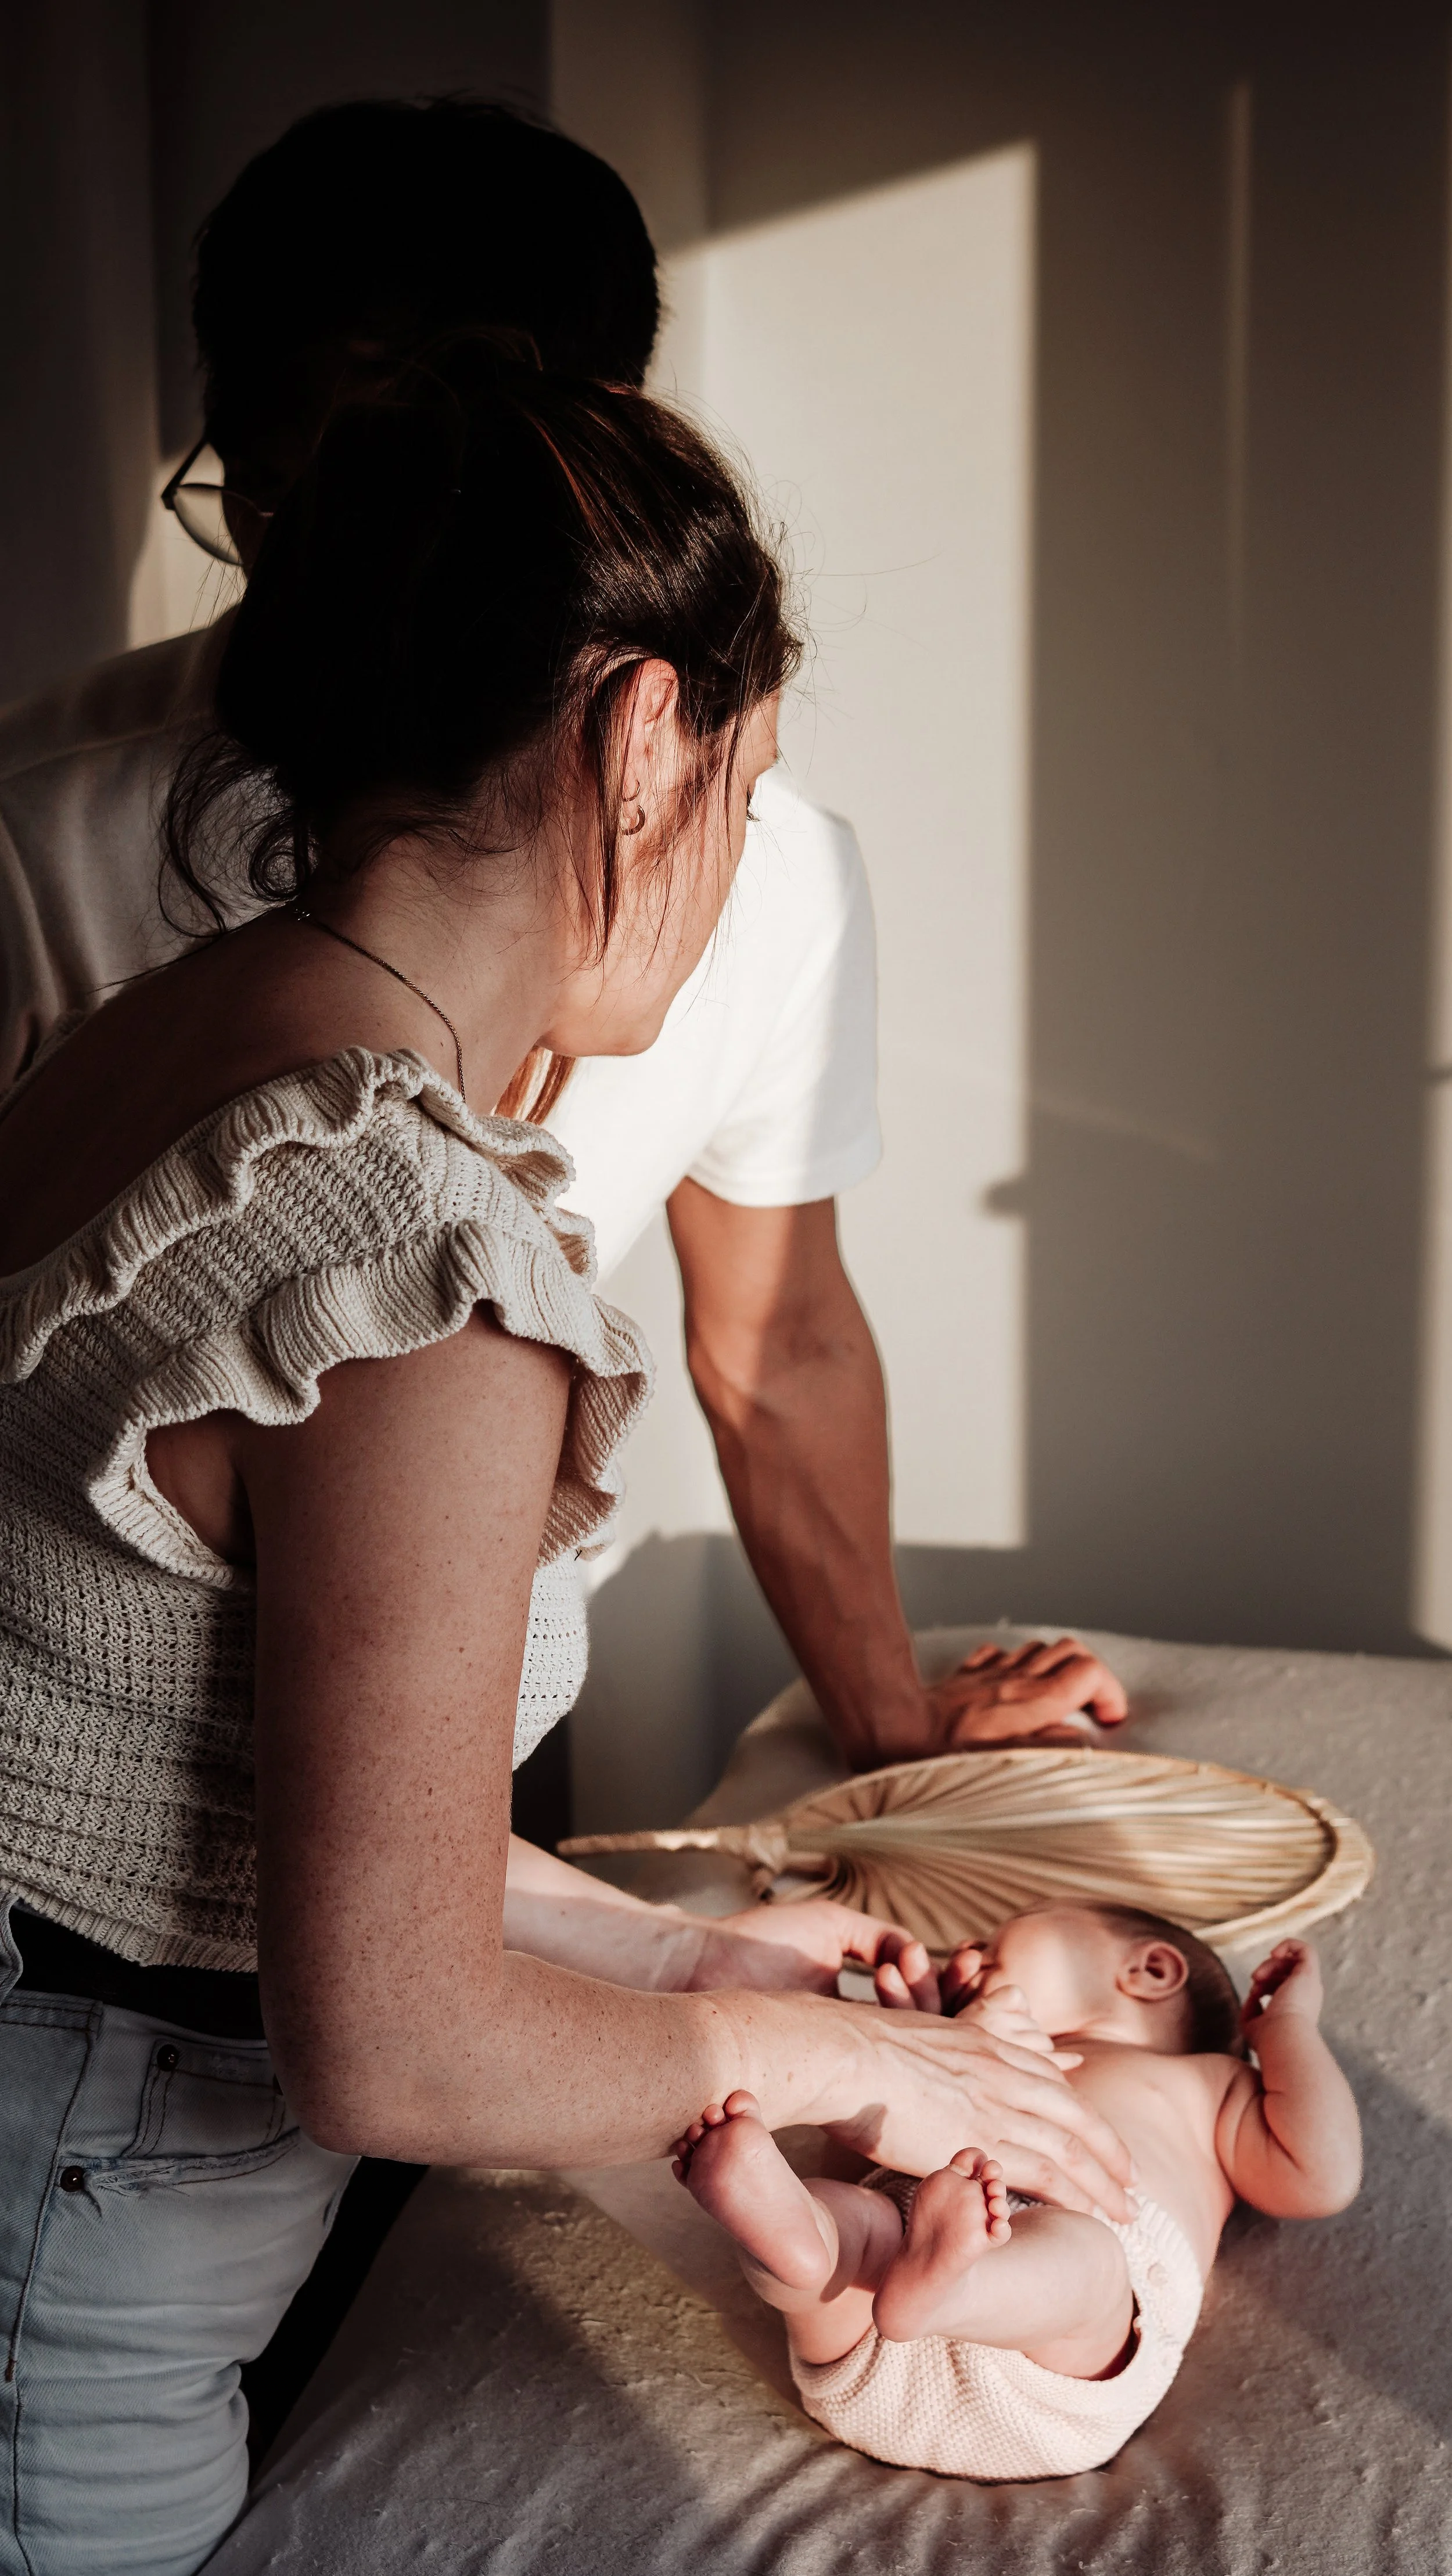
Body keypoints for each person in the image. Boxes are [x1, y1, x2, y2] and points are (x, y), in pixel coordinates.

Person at [0, 345, 1134, 2576]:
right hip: (77, 2249)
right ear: (637, 734)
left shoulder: (148, 1049)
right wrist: (876, 2079)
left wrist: (679, 1962)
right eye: (743, 772)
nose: (730, 855)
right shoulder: (423, 1257)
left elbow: (170, 1771)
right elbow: (395, 2045)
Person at [0, 95, 1128, 1768]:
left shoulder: (771, 872)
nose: (365, 579)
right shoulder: (38, 835)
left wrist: (894, 1736)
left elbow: (781, 1337)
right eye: (303, 497)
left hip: (479, 1699)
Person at [674, 1910, 1362, 2480]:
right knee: (850, 2212)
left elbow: (1320, 2175)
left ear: (1149, 1971)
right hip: (887, 2340)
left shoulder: (1209, 2081)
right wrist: (906, 2052)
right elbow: (862, 2156)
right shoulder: (959, 2052)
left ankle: (926, 2280)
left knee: (1088, 2258)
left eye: (999, 1939)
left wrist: (1285, 2030)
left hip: (1060, 2380)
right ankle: (801, 2247)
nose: (969, 1950)